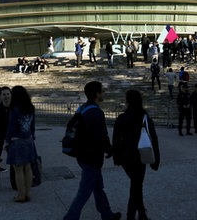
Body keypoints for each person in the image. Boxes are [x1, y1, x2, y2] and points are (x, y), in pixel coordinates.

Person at [63, 81, 121, 220]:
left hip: (81, 154)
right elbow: (101, 135)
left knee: (97, 186)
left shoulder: (82, 108)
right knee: (85, 191)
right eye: (102, 91)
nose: (103, 94)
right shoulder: (96, 112)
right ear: (97, 94)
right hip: (92, 156)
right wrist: (109, 149)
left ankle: (106, 214)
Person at [112, 90, 160, 220]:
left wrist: (116, 157)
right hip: (140, 156)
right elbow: (153, 138)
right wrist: (156, 160)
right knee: (136, 186)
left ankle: (141, 214)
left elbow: (115, 139)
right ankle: (132, 216)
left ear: (127, 101)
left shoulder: (121, 118)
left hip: (125, 158)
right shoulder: (145, 118)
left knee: (136, 185)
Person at [5, 86, 36, 202]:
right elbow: (33, 125)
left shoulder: (14, 108)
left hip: (17, 140)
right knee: (28, 168)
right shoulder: (30, 107)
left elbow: (11, 127)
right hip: (28, 139)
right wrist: (32, 136)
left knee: (18, 169)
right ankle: (27, 193)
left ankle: (21, 195)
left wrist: (7, 141)